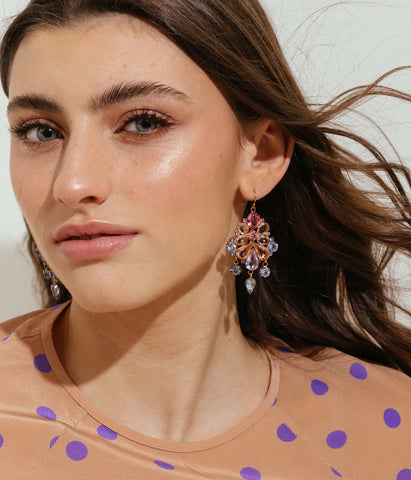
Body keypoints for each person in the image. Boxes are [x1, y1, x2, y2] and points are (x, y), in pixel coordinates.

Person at [0, 0, 410, 478]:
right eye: (40, 131)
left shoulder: (390, 428)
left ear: (261, 156)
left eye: (143, 123)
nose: (72, 184)